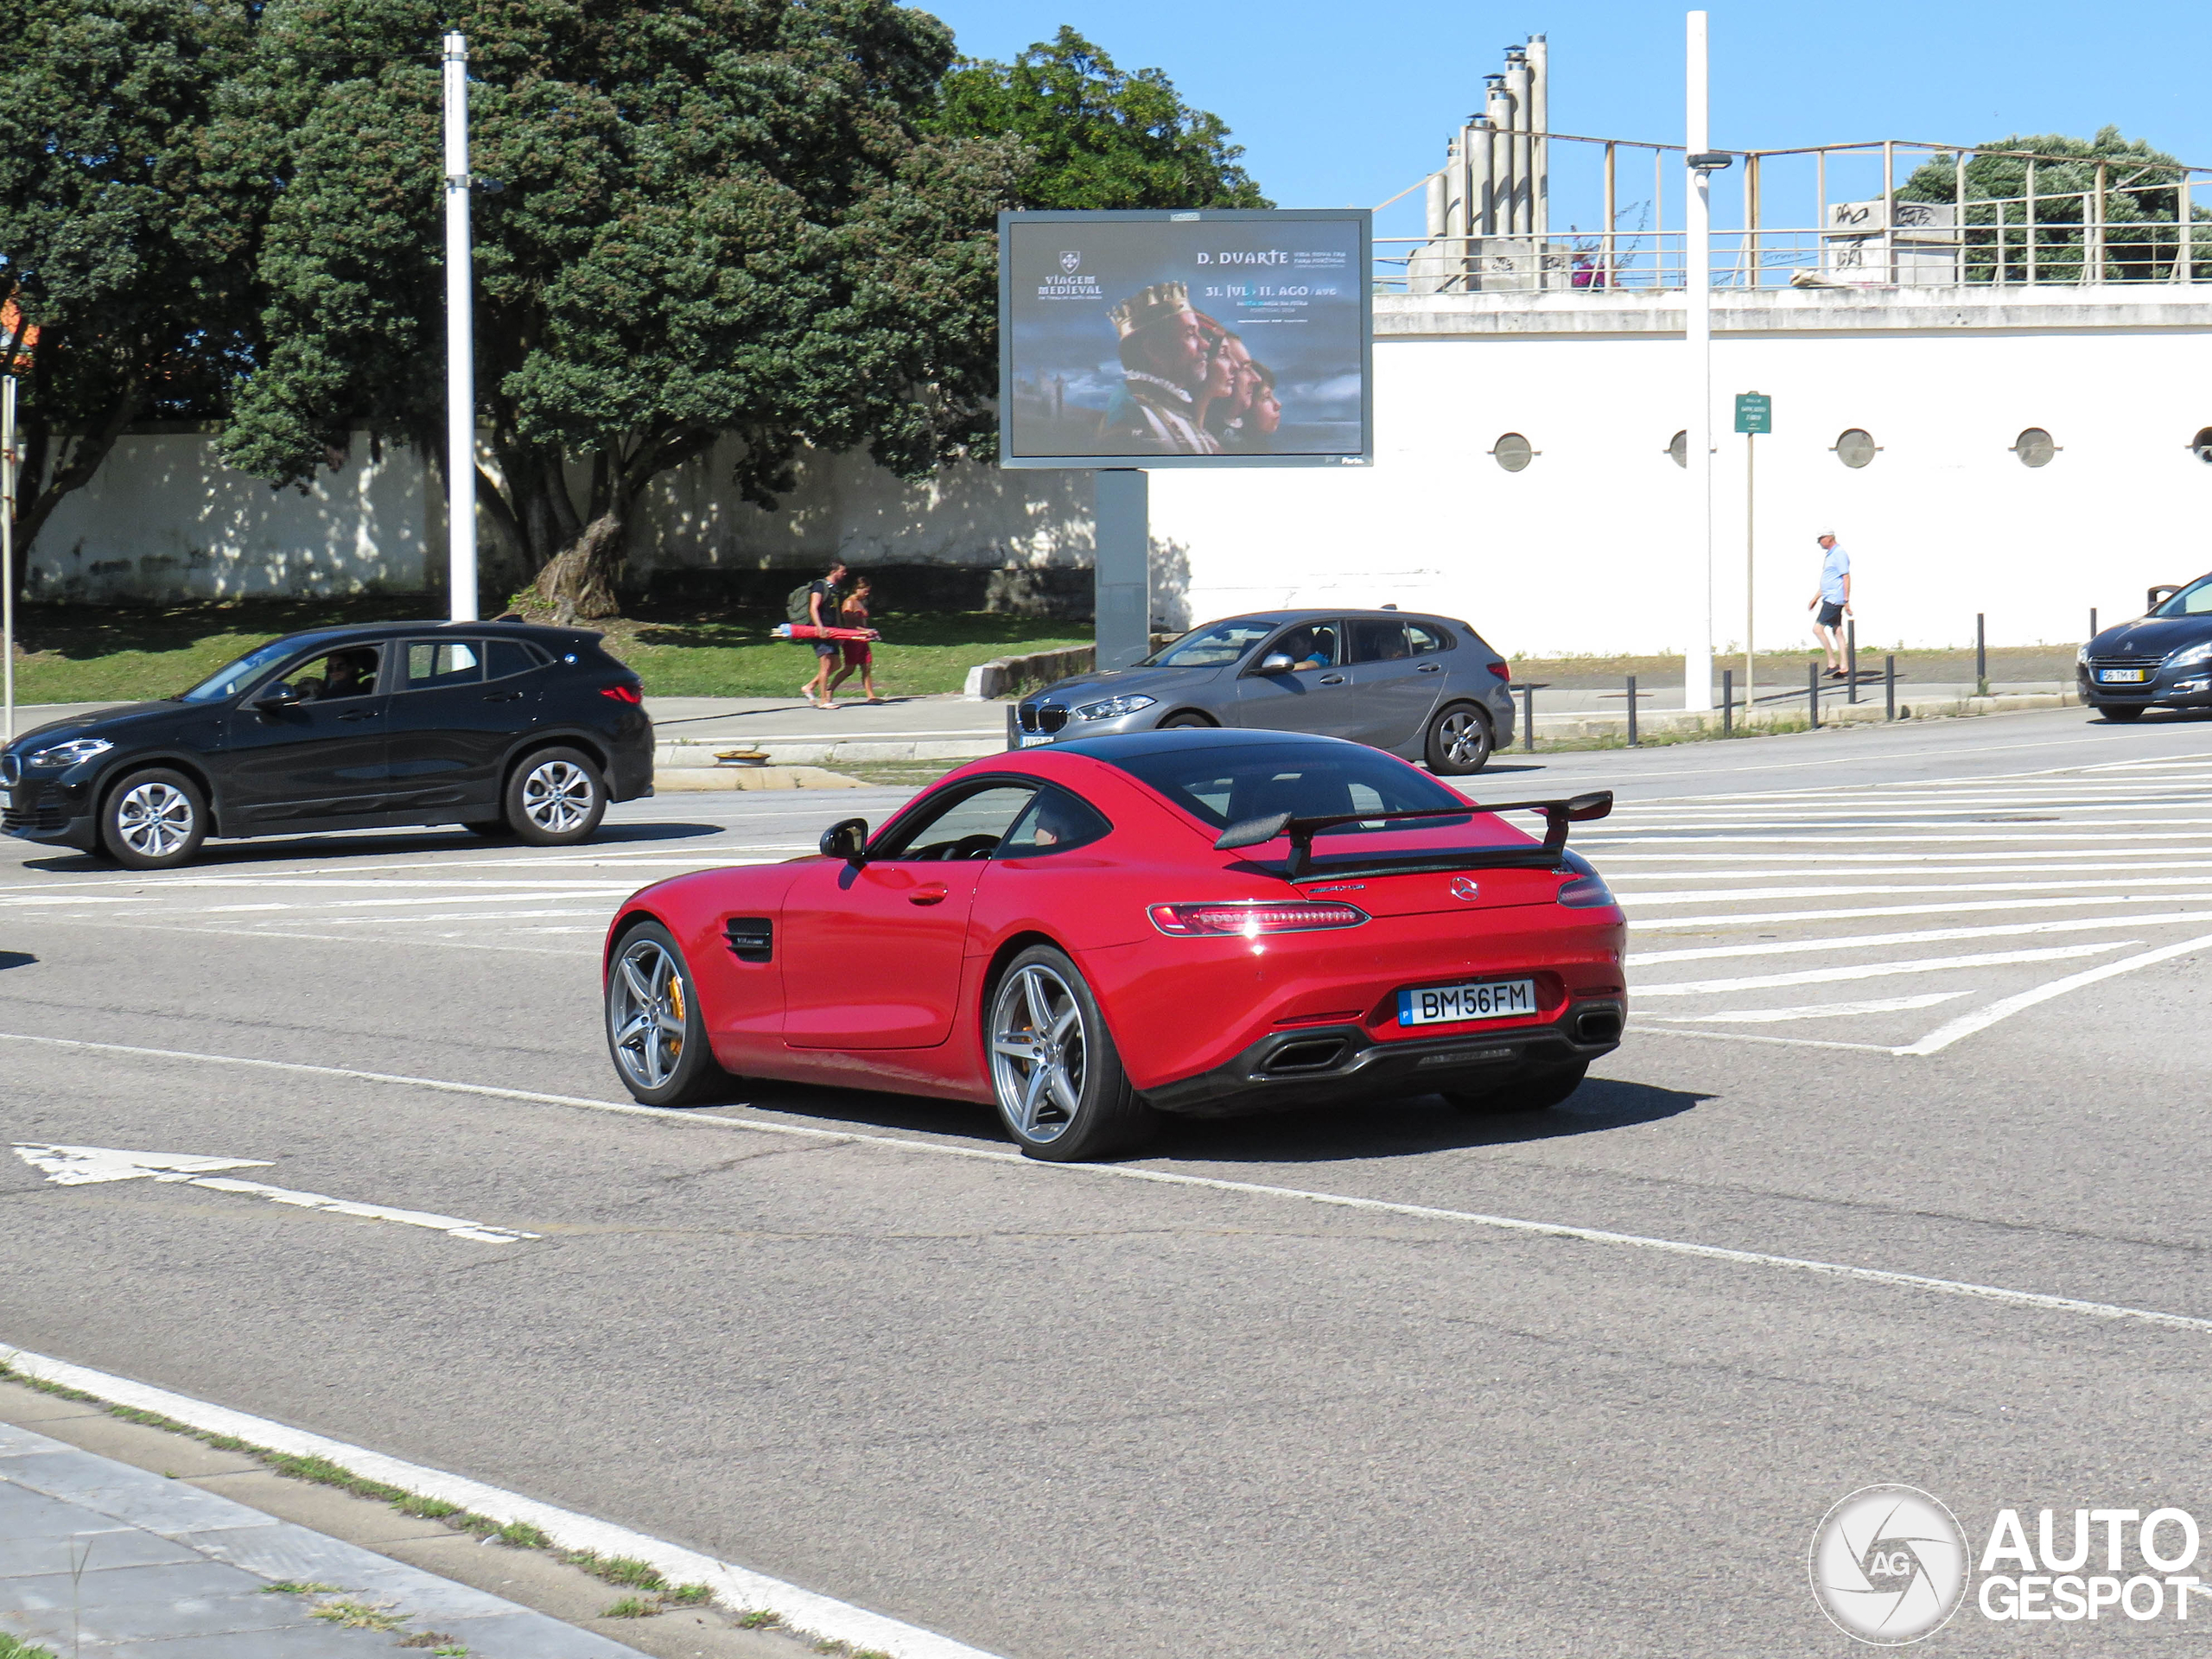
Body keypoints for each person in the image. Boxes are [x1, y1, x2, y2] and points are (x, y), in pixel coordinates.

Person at [1097, 283, 1221, 455]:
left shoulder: (1170, 408)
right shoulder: (1132, 415)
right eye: (1190, 334)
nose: (1205, 344)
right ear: (1154, 349)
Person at [824, 575, 880, 704]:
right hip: (852, 639)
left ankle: (871, 696)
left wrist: (868, 632)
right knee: (849, 669)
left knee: (866, 666)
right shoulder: (849, 602)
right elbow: (849, 624)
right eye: (865, 591)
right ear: (857, 589)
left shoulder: (860, 602)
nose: (867, 594)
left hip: (863, 639)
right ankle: (830, 689)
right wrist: (866, 631)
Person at [801, 560, 848, 709]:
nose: (845, 574)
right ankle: (823, 700)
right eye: (842, 571)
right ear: (834, 571)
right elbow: (813, 608)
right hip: (819, 631)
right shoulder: (819, 585)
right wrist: (819, 627)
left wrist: (841, 633)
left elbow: (836, 613)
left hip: (833, 631)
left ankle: (810, 686)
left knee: (836, 664)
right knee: (826, 664)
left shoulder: (835, 588)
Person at [1808, 531, 1852, 678]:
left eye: (1821, 539)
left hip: (1834, 599)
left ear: (1829, 538)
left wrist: (1846, 600)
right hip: (1829, 596)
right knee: (1837, 631)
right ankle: (1844, 666)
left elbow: (1845, 577)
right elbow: (1829, 580)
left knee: (1817, 629)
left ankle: (1832, 663)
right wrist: (1816, 597)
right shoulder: (1831, 555)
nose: (1819, 542)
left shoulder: (1839, 554)